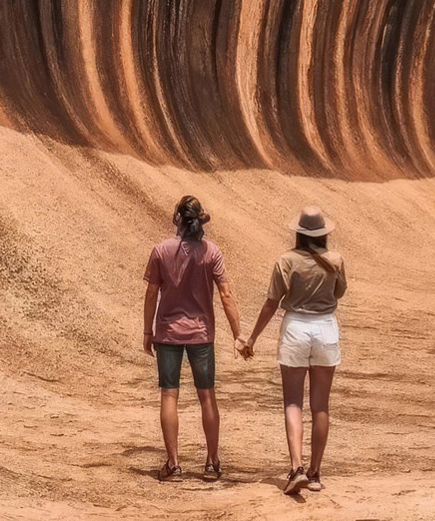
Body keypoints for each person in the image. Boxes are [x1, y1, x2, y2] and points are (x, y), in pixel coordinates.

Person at [240, 206, 347, 495]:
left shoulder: (286, 260)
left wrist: (251, 339)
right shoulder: (335, 260)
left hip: (296, 329)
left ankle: (296, 468)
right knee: (321, 406)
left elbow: (272, 302)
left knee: (293, 403)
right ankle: (315, 473)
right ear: (324, 234)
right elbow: (338, 293)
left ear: (298, 233)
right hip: (325, 329)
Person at [142, 195, 244, 482]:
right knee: (207, 396)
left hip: (168, 333)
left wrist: (147, 331)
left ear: (177, 219)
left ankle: (173, 464)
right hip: (201, 334)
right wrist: (238, 335)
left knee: (169, 394)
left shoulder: (161, 251)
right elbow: (225, 294)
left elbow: (151, 294)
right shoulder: (211, 252)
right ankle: (212, 462)